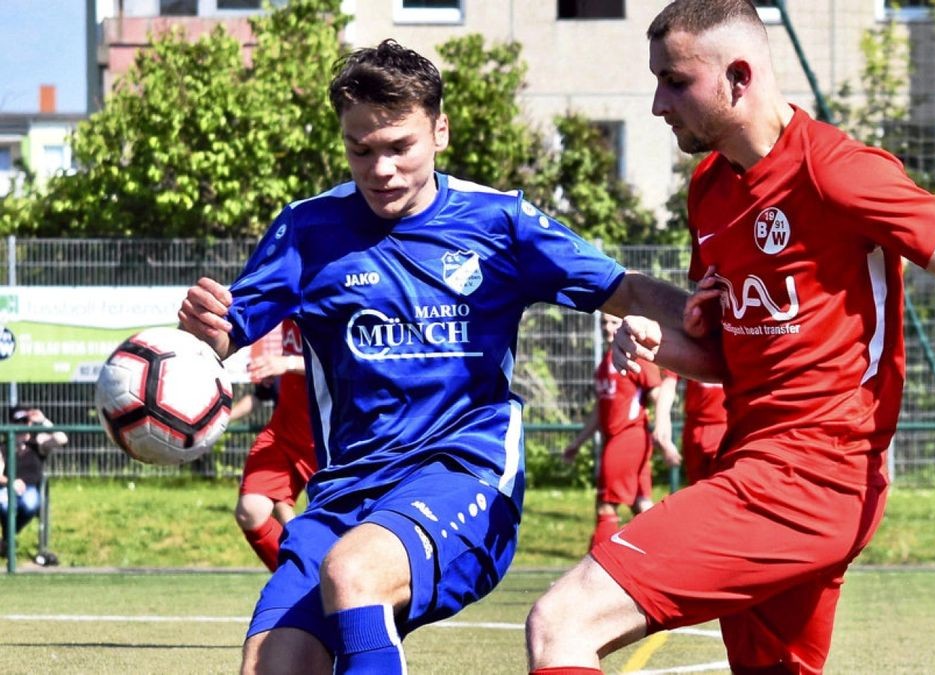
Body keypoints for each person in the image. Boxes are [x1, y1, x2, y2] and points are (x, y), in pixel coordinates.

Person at [524, 2, 935, 673]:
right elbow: (726, 358)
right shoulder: (709, 190)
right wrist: (656, 342)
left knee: (562, 622)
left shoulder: (836, 171)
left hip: (813, 476)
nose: (656, 104)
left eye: (675, 82)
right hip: (758, 464)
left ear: (737, 76)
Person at [176, 39, 683, 673]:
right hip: (343, 495)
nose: (380, 168)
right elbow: (227, 332)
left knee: (356, 571)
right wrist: (203, 330)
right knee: (272, 665)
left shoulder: (500, 223)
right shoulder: (307, 230)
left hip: (462, 475)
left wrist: (713, 328)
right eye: (361, 149)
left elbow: (625, 288)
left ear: (439, 130)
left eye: (399, 147)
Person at [562, 313, 681, 551]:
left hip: (628, 438)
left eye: (614, 322)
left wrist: (663, 434)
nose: (608, 327)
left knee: (606, 507)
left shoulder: (636, 360)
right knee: (641, 505)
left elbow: (658, 394)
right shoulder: (606, 363)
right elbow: (600, 410)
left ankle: (592, 575)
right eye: (604, 322)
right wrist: (578, 442)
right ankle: (669, 555)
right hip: (617, 440)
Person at [228, 318, 317, 572]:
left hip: (324, 443)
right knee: (251, 511)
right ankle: (298, 584)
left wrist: (286, 363)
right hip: (282, 433)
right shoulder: (291, 301)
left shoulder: (336, 297)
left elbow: (344, 361)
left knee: (338, 538)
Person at [0, 406, 68, 558]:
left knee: (30, 504)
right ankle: (7, 540)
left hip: (31, 489)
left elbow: (62, 438)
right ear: (11, 423)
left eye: (25, 421)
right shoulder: (4, 447)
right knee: (3, 504)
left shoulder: (37, 442)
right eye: (18, 422)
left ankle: (6, 540)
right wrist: (11, 482)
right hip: (7, 489)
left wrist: (43, 420)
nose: (23, 426)